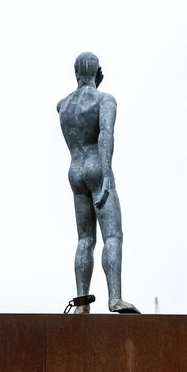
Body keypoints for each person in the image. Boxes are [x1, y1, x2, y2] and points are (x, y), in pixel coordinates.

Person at [56, 52, 139, 314]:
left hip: (74, 169)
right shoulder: (105, 100)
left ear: (76, 72)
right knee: (112, 235)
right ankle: (115, 297)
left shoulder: (63, 105)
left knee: (85, 239)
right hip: (95, 166)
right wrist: (105, 175)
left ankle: (82, 303)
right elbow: (105, 134)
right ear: (98, 73)